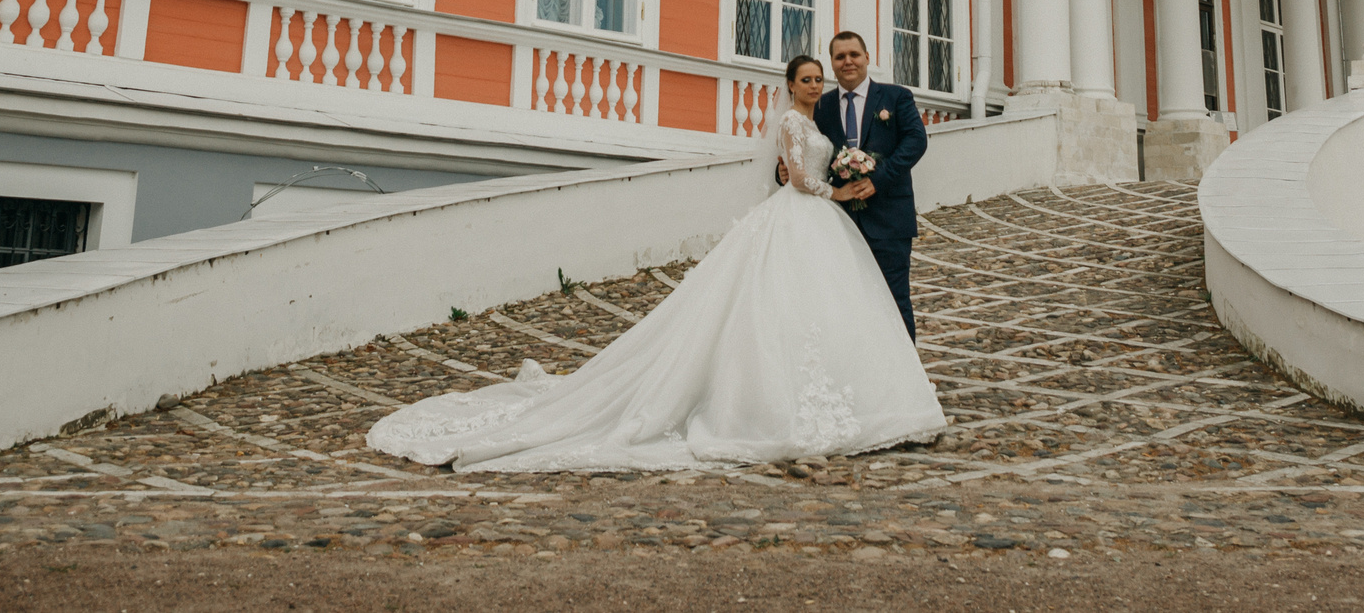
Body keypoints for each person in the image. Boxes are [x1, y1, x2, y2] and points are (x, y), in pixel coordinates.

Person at [366, 53, 944, 472]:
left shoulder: (828, 118)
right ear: (790, 84)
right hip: (810, 215)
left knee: (843, 306)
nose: (819, 82)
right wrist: (835, 193)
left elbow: (818, 165)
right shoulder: (796, 120)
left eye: (825, 74)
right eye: (809, 77)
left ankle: (875, 391)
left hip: (832, 223)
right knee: (781, 308)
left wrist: (838, 182)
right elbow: (794, 177)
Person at [806, 31, 926, 340]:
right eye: (839, 56)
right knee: (845, 303)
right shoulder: (821, 106)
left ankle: (905, 381)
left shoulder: (896, 97)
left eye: (854, 55)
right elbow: (808, 152)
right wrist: (782, 173)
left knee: (894, 300)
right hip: (840, 222)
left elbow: (916, 141)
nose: (847, 62)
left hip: (889, 220)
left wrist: (879, 179)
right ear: (831, 64)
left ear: (867, 58)